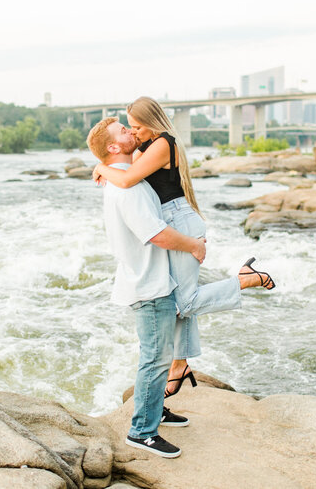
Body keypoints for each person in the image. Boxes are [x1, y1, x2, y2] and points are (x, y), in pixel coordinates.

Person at [92, 96, 275, 398]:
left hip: (178, 222)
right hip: (172, 221)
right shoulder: (145, 146)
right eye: (131, 128)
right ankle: (180, 365)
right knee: (177, 300)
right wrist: (108, 163)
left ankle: (247, 279)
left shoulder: (164, 142)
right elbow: (126, 171)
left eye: (137, 127)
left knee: (184, 303)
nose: (134, 133)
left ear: (152, 123)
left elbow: (126, 180)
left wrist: (101, 168)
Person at [87, 116, 202, 459]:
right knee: (155, 359)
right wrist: (194, 245)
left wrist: (100, 167)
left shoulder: (123, 180)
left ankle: (154, 412)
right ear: (113, 147)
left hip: (146, 278)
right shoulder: (129, 188)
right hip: (149, 284)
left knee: (156, 356)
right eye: (124, 130)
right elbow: (156, 234)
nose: (132, 131)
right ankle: (142, 432)